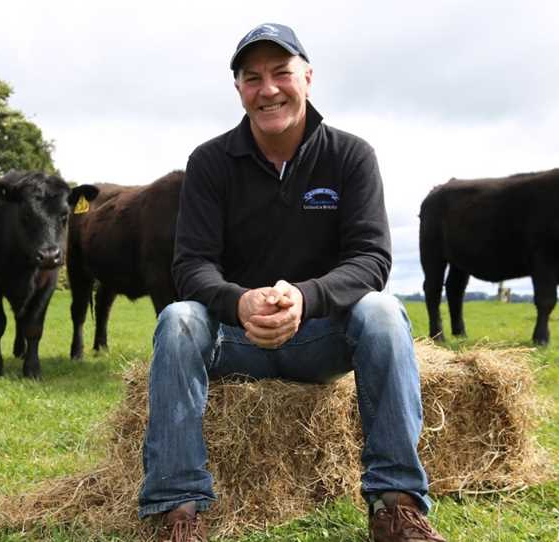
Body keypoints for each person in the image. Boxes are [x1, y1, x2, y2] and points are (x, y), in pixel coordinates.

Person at [139, 23, 446, 542]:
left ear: (307, 76)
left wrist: (305, 297)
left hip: (323, 337)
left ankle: (395, 508)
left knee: (383, 311)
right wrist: (239, 303)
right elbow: (191, 266)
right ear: (239, 89)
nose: (268, 89)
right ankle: (179, 512)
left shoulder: (350, 156)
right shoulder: (210, 163)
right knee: (179, 318)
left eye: (281, 73)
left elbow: (371, 257)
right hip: (236, 340)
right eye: (252, 77)